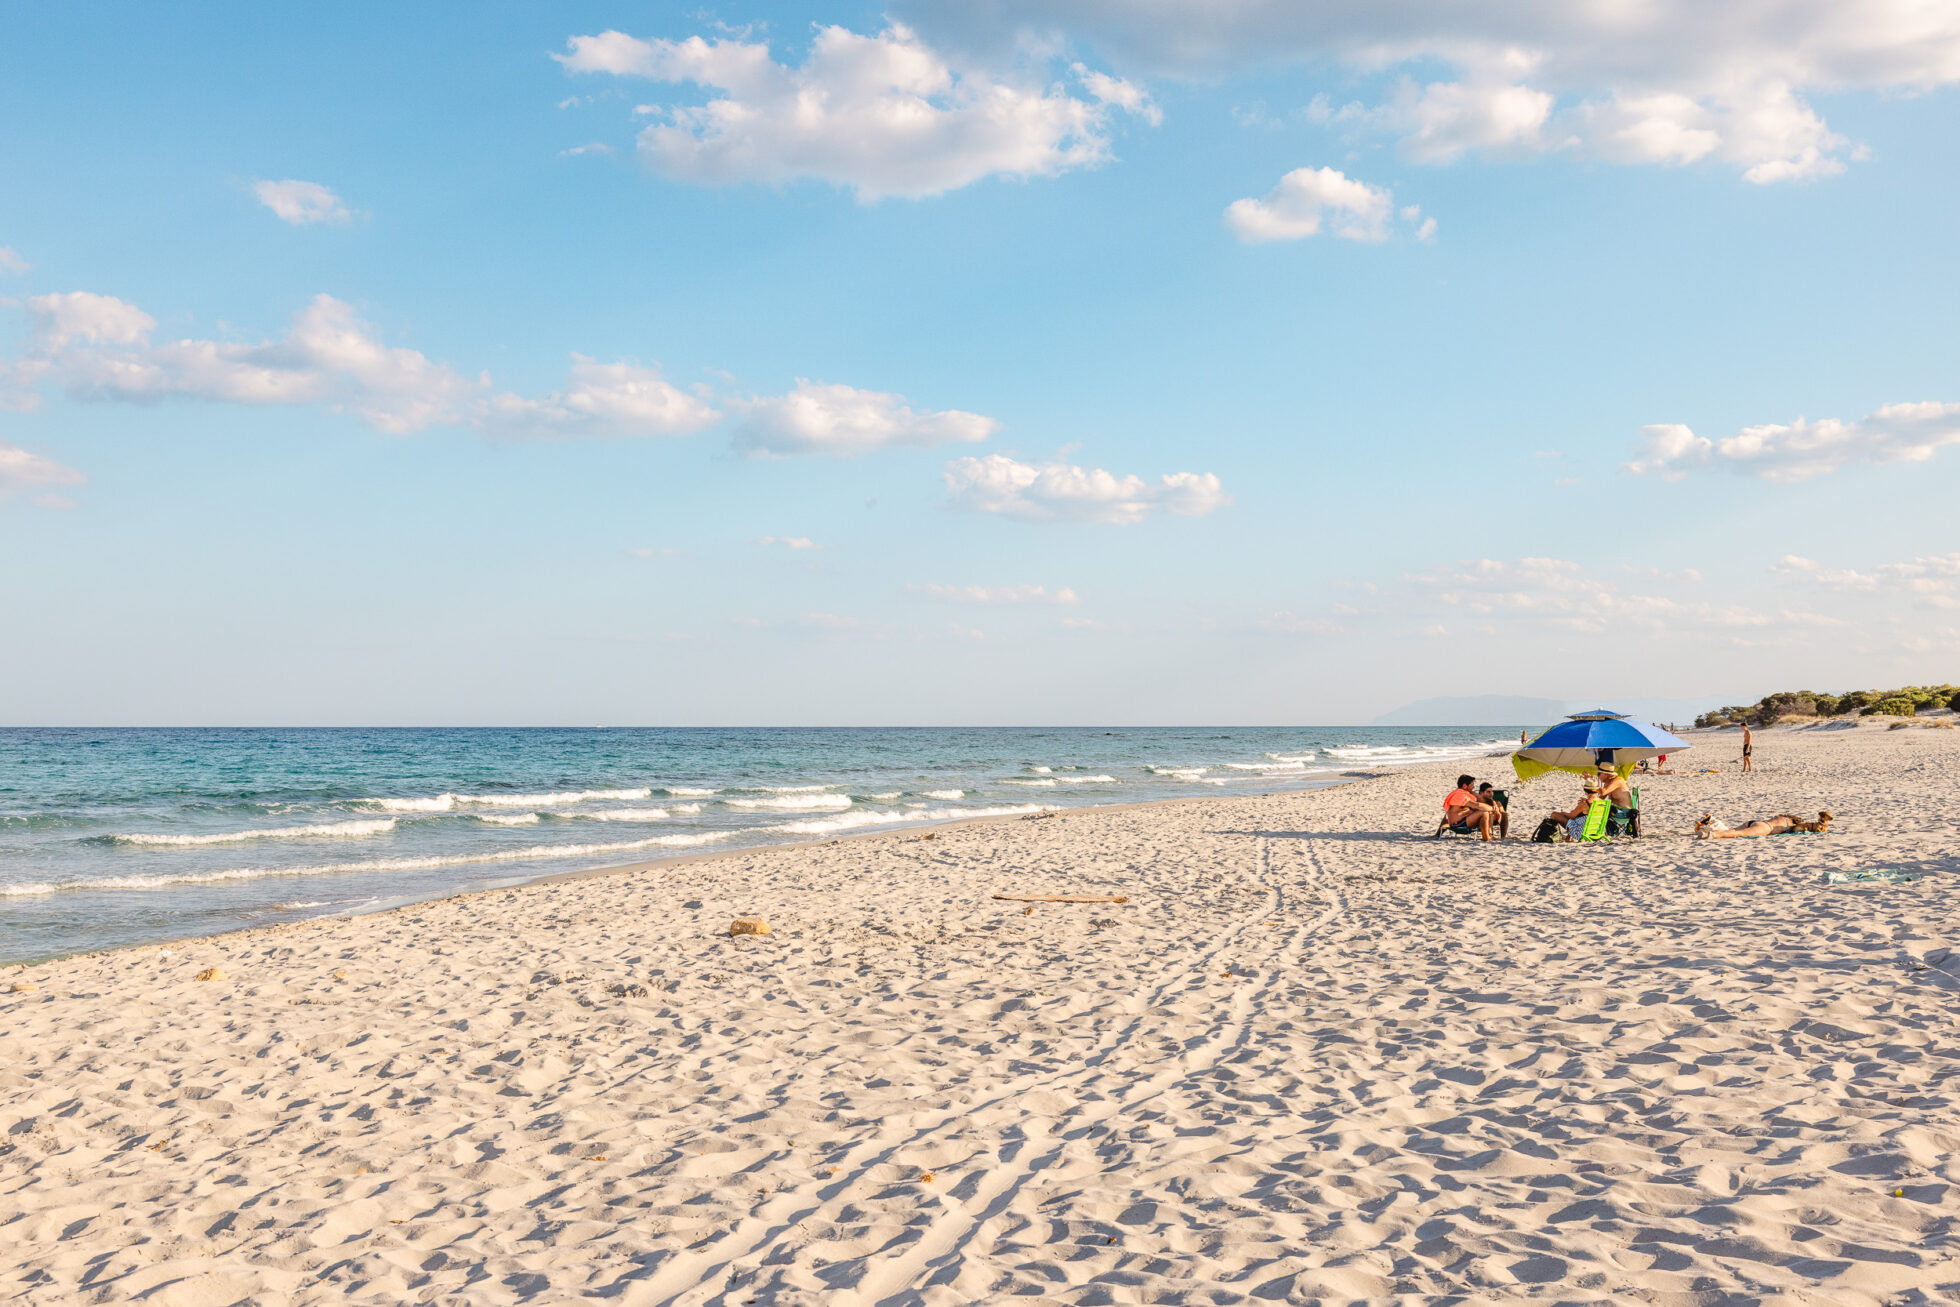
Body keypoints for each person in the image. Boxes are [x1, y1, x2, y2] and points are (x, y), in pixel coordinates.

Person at [1533, 777, 1600, 842]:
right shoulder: (1601, 802)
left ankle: (1552, 835)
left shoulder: (1585, 804)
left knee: (1555, 814)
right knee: (1577, 817)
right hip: (1594, 831)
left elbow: (1571, 816)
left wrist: (1563, 813)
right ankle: (1568, 837)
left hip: (1580, 832)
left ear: (1585, 790)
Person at [1434, 774, 1496, 840]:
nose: (1473, 787)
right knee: (1484, 813)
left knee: (1488, 812)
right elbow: (1477, 805)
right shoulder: (1460, 795)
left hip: (1462, 820)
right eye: (1472, 785)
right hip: (1458, 824)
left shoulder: (1459, 793)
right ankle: (1486, 837)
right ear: (1464, 786)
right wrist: (1491, 808)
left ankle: (1489, 835)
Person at [1696, 810, 1831, 838]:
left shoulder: (1782, 817)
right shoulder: (1789, 824)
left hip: (1756, 822)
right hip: (1766, 828)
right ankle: (1712, 834)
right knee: (1738, 834)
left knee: (1731, 829)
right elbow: (1800, 829)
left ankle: (1712, 821)